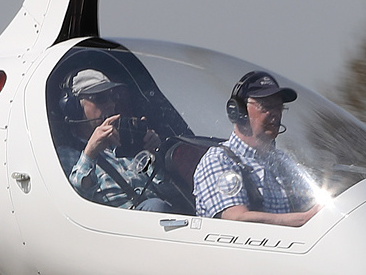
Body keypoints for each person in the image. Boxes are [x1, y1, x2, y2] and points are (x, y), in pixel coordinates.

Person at [192, 71, 317, 227]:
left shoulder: (282, 162)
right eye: (266, 107)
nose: (276, 114)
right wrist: (302, 219)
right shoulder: (219, 160)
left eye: (279, 107)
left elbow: (314, 205)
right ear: (239, 112)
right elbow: (236, 218)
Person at [62, 69, 178, 212]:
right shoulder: (67, 154)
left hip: (156, 216)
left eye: (114, 97)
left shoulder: (128, 139)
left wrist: (155, 155)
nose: (111, 104)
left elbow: (170, 192)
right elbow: (77, 199)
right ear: (75, 108)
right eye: (101, 98)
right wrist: (90, 153)